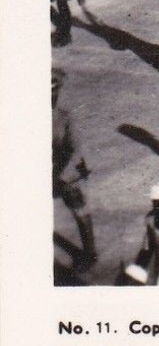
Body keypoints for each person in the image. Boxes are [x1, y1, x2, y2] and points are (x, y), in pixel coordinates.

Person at [52, 68, 96, 272]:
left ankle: (90, 253)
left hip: (65, 172)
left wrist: (60, 174)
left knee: (79, 210)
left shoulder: (64, 118)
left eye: (54, 92)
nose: (51, 97)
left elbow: (75, 149)